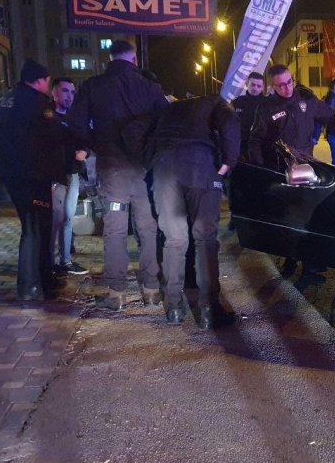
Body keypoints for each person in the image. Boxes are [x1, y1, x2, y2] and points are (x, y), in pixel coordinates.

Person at [67, 40, 169, 311]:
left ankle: (117, 294)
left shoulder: (94, 86)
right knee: (148, 229)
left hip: (112, 170)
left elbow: (76, 122)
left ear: (109, 59)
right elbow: (166, 122)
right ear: (134, 60)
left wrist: (96, 143)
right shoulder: (149, 87)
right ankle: (151, 290)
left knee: (115, 230)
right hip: (144, 170)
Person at [248, 64, 335, 283]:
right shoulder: (266, 107)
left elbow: (329, 114)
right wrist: (259, 169)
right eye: (281, 85)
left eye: (289, 82)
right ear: (272, 86)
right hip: (281, 169)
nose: (287, 88)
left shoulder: (306, 99)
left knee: (309, 216)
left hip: (307, 166)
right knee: (288, 218)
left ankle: (309, 269)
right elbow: (255, 140)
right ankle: (290, 261)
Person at [146, 96, 240, 329]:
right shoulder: (216, 102)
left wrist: (150, 162)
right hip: (200, 164)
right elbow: (230, 122)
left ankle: (174, 308)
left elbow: (138, 131)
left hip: (163, 167)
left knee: (174, 239)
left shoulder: (166, 110)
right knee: (205, 238)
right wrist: (229, 161)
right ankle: (209, 311)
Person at [0, 60, 68, 300]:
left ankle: (42, 279)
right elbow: (53, 134)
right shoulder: (36, 102)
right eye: (47, 81)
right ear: (40, 80)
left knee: (33, 226)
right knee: (35, 228)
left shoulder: (7, 98)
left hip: (13, 173)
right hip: (33, 174)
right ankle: (31, 285)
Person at [49, 78, 89, 276]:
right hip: (55, 175)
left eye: (72, 92)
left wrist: (85, 151)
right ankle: (48, 263)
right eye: (65, 91)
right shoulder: (48, 117)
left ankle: (65, 260)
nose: (69, 96)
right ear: (54, 93)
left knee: (67, 218)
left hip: (72, 173)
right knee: (54, 220)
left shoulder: (76, 117)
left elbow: (87, 138)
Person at [231, 71, 265, 160]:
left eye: (259, 86)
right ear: (247, 84)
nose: (255, 88)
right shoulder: (236, 103)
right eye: (253, 85)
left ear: (263, 87)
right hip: (240, 149)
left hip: (261, 149)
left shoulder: (268, 104)